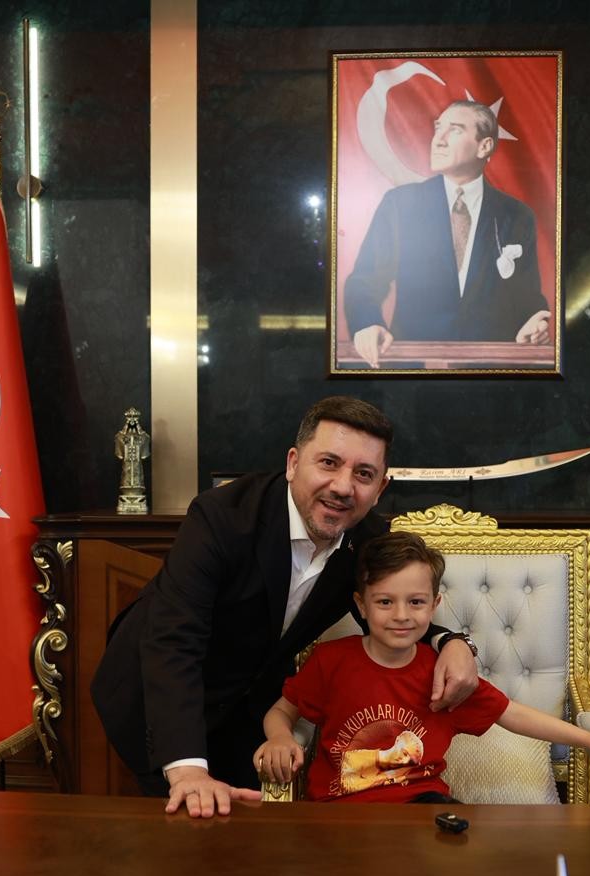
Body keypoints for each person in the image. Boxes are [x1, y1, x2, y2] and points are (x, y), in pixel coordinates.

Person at [91, 396, 480, 817]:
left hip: (247, 711)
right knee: (175, 833)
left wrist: (453, 642)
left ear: (380, 488)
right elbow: (173, 642)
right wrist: (187, 770)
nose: (343, 487)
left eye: (363, 474)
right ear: (294, 463)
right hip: (157, 700)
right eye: (328, 463)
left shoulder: (367, 539)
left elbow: (394, 610)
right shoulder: (221, 517)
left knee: (244, 842)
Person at [255, 532, 590, 802]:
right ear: (361, 605)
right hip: (338, 815)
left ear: (434, 605)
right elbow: (282, 711)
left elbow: (513, 714)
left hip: (421, 808)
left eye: (415, 602)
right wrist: (278, 738)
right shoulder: (331, 660)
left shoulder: (445, 674)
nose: (401, 615)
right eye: (385, 602)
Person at [343, 101, 552, 367]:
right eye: (438, 128)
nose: (438, 140)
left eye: (454, 130)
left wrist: (534, 323)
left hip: (489, 371)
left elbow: (527, 296)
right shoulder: (400, 204)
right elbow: (365, 280)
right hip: (414, 369)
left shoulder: (517, 214)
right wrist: (367, 323)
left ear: (484, 146)